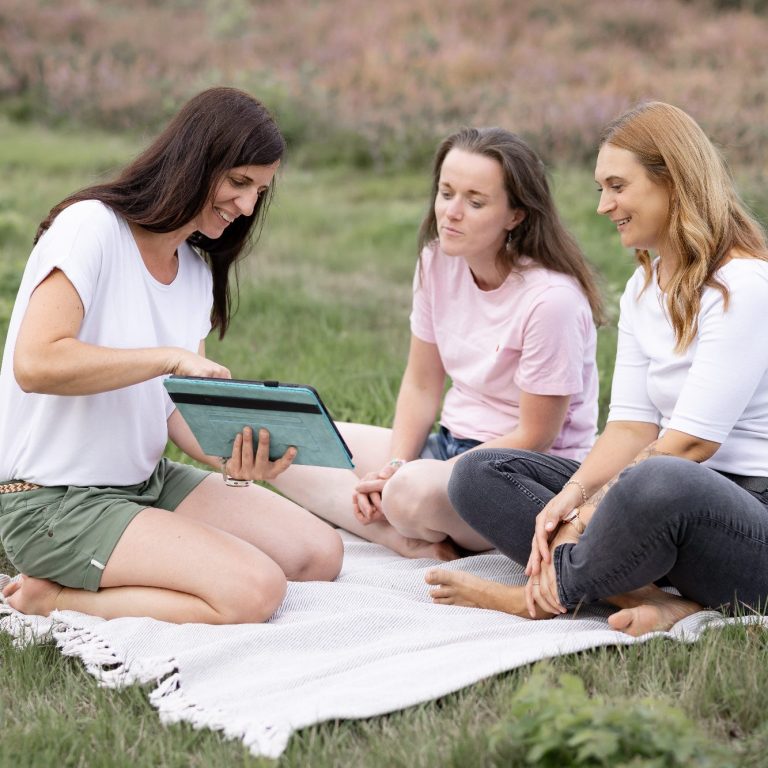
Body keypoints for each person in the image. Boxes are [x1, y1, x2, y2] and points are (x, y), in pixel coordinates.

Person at [0, 87, 343, 625]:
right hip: (51, 500)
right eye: (238, 182)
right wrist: (167, 358)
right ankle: (52, 598)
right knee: (254, 591)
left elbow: (175, 412)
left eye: (259, 190)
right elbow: (37, 364)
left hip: (145, 482)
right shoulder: (91, 227)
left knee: (318, 553)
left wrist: (232, 454)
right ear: (195, 161)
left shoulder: (196, 272)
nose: (248, 206)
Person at [427, 101, 768, 636]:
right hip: (658, 498)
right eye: (600, 188)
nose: (603, 205)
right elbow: (630, 427)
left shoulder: (743, 285)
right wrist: (571, 499)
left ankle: (544, 596)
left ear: (673, 182)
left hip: (744, 520)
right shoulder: (643, 287)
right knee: (478, 472)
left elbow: (691, 444)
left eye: (617, 186)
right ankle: (651, 598)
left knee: (656, 477)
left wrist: (585, 519)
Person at [270, 127, 603, 558]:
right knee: (285, 440)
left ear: (515, 215)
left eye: (475, 202)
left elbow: (537, 435)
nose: (452, 212)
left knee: (407, 493)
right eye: (446, 194)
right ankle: (401, 539)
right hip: (447, 446)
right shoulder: (436, 262)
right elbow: (422, 383)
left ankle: (405, 514)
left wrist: (412, 477)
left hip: (516, 475)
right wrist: (395, 464)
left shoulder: (552, 301)